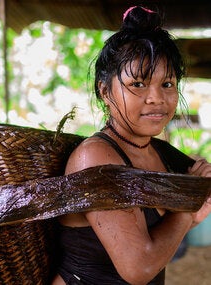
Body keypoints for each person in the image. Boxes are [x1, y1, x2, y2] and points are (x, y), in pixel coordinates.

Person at [52, 6, 211, 285]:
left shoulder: (157, 151)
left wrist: (193, 210)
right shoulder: (96, 156)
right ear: (104, 90)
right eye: (137, 83)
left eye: (168, 83)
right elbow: (138, 267)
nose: (156, 98)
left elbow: (164, 231)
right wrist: (187, 208)